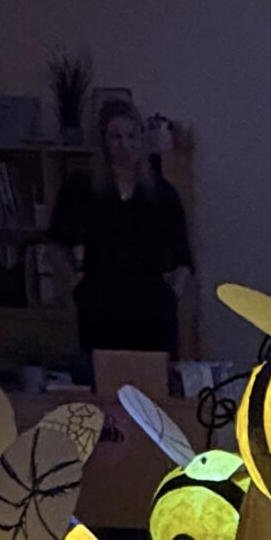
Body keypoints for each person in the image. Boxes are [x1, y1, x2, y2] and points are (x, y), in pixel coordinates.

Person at [49, 97, 194, 360]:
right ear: (104, 142)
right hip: (101, 310)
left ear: (142, 138)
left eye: (131, 135)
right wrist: (74, 288)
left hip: (152, 312)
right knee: (105, 380)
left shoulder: (161, 193)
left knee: (153, 381)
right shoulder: (82, 189)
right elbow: (58, 241)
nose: (125, 145)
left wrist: (172, 296)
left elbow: (183, 256)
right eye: (116, 137)